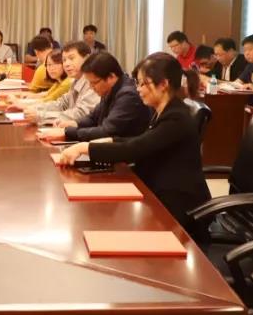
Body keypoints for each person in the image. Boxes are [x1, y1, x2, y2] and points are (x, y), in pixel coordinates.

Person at [58, 53, 211, 243]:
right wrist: (110, 140)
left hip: (176, 204)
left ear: (163, 84)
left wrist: (85, 148)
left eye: (143, 84)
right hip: (158, 191)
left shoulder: (176, 117)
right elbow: (142, 140)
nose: (138, 89)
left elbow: (136, 149)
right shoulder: (164, 111)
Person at [49, 52, 152, 142]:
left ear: (111, 77)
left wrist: (67, 132)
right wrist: (73, 123)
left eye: (94, 83)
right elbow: (93, 118)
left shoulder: (128, 95)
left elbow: (107, 131)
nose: (91, 87)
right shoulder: (110, 89)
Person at [26, 41, 99, 123]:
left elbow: (81, 114)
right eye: (64, 60)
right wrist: (32, 108)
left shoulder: (94, 82)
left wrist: (40, 115)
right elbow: (61, 104)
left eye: (71, 58)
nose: (66, 64)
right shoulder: (76, 80)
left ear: (87, 59)